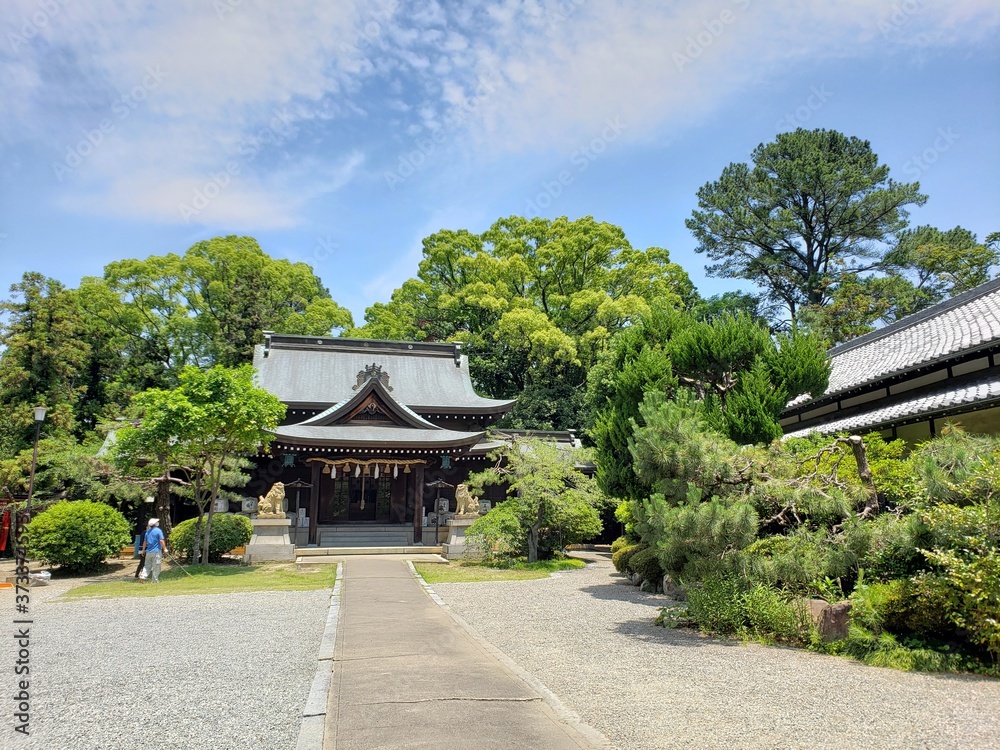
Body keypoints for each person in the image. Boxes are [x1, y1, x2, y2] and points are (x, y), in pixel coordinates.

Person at [141, 518, 167, 583]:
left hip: (148, 552)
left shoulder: (148, 532)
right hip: (156, 551)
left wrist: (143, 550)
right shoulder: (158, 530)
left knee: (147, 565)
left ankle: (143, 576)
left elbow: (145, 542)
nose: (158, 522)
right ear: (155, 524)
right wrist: (165, 549)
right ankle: (155, 580)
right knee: (156, 566)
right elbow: (161, 540)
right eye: (157, 522)